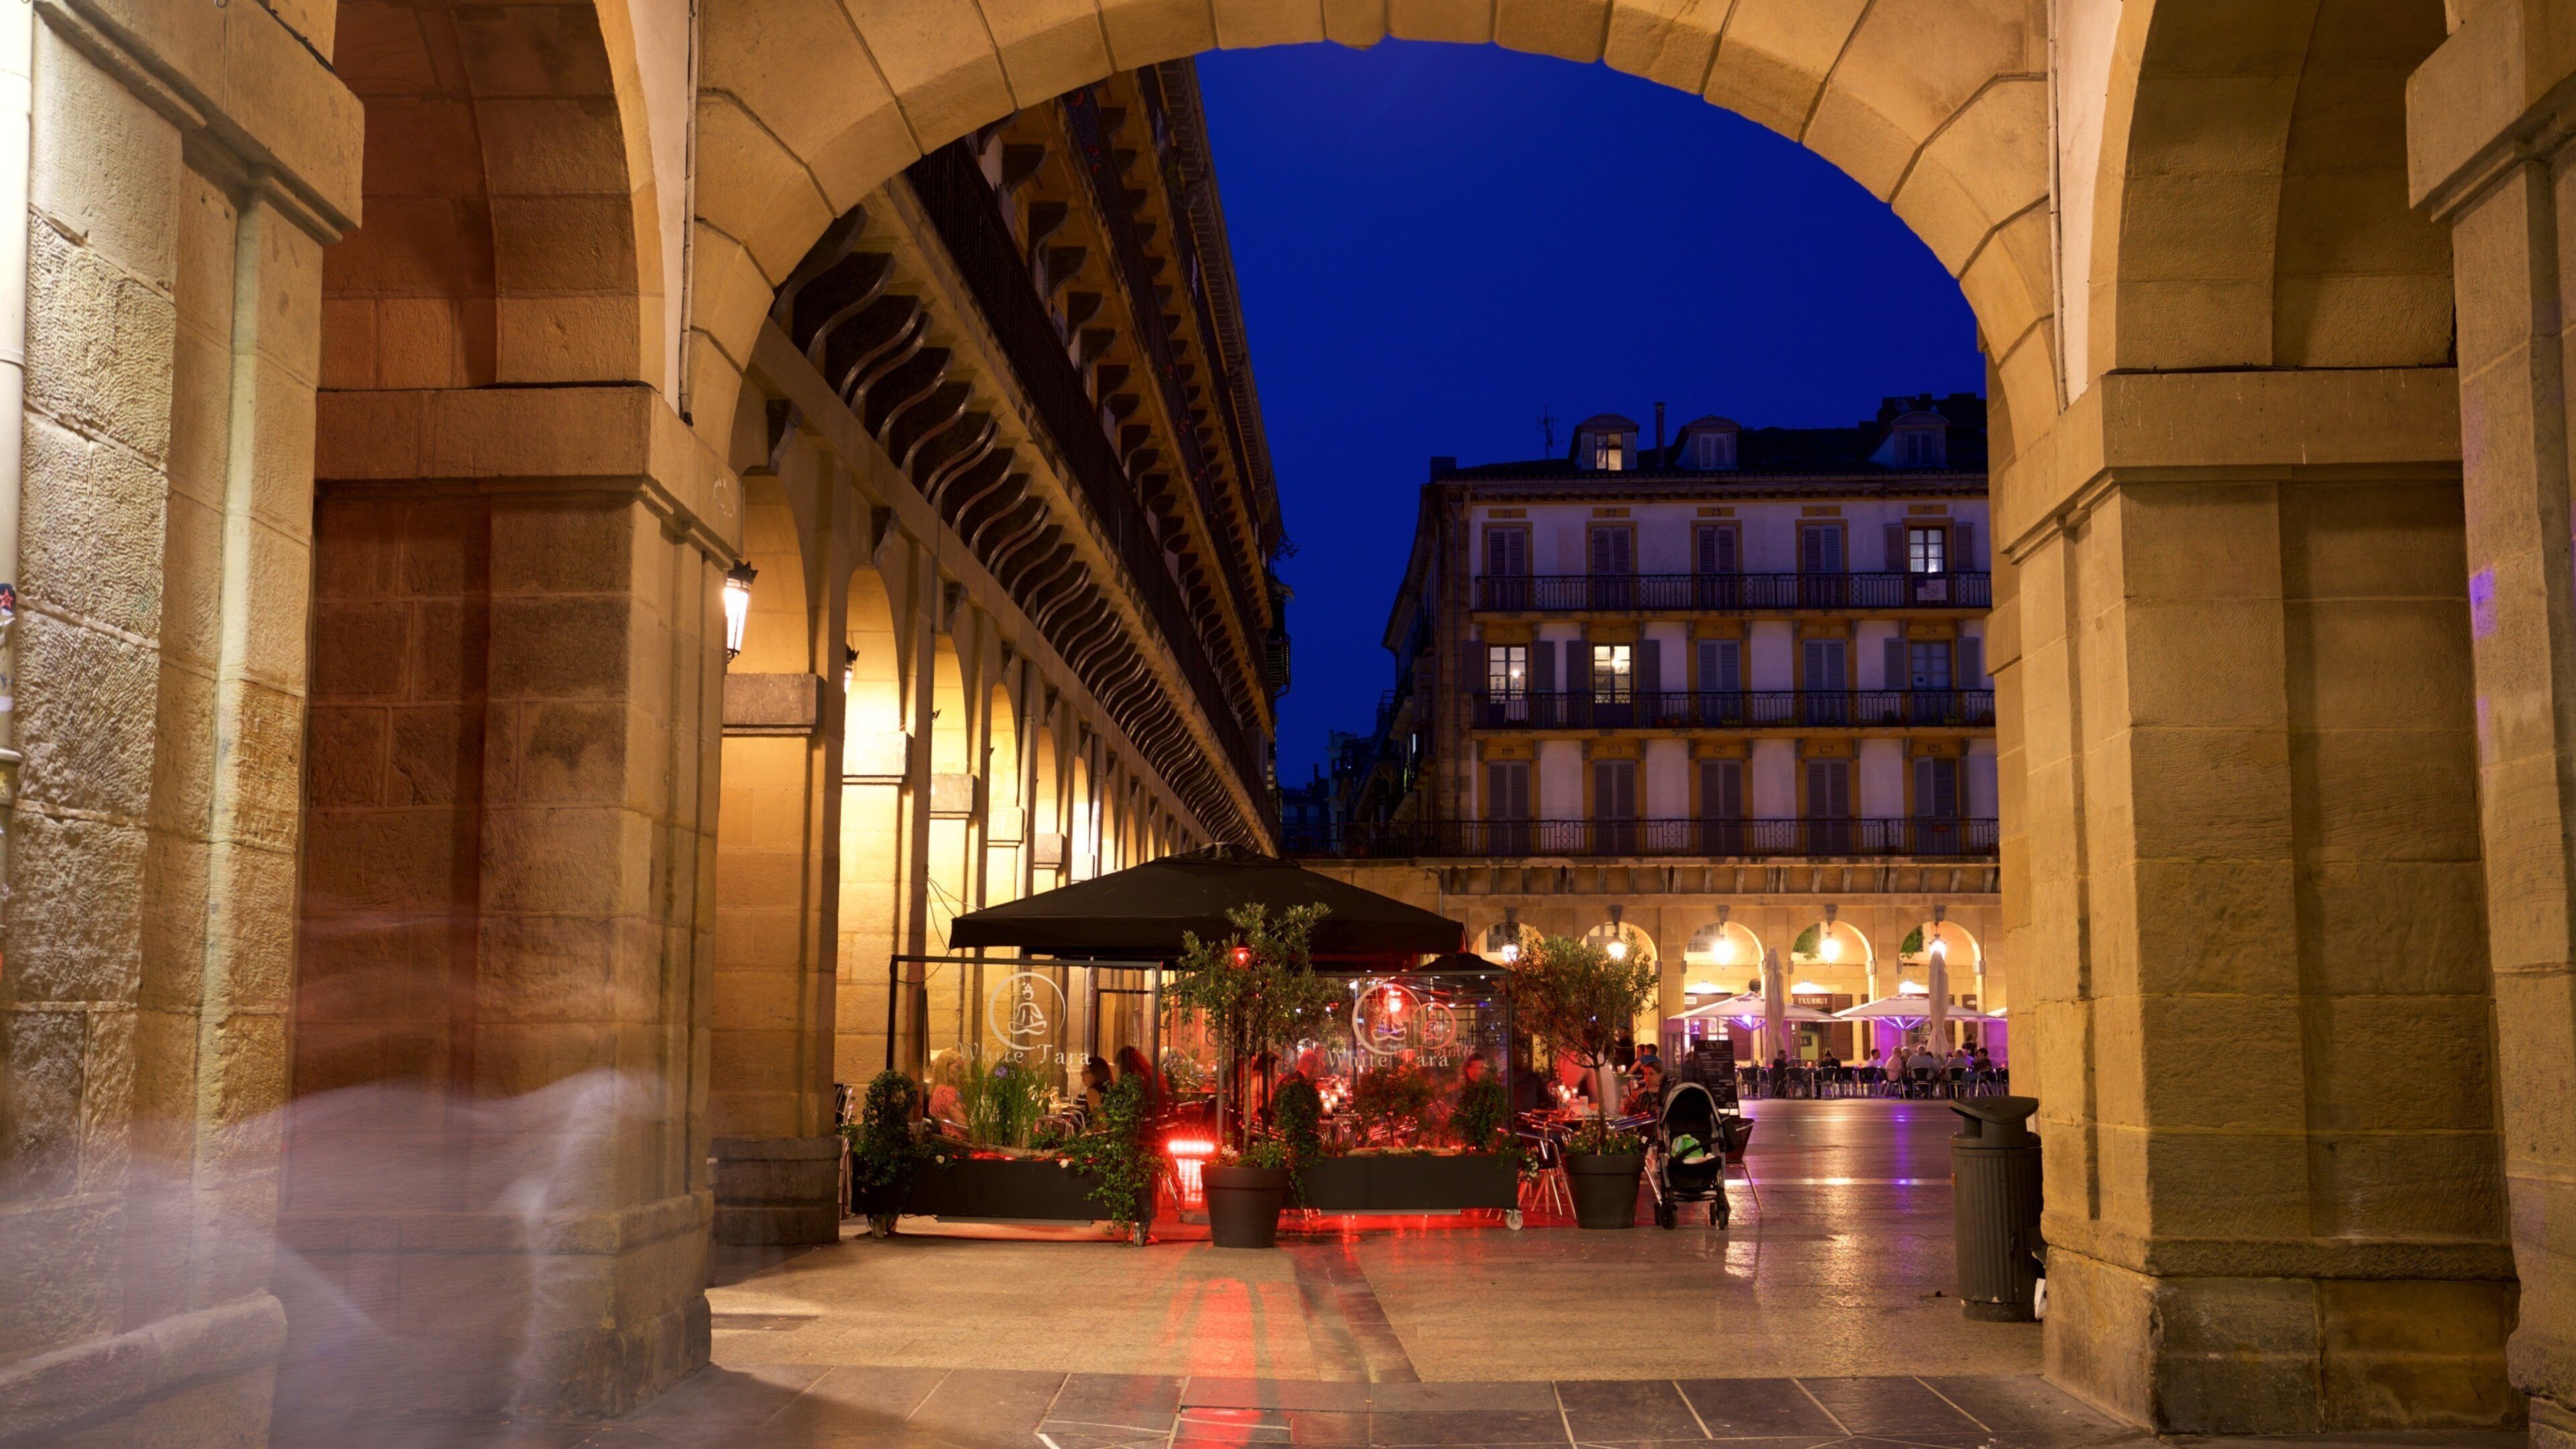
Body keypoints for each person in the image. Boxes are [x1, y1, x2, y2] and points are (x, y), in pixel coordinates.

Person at [1114, 1044, 1165, 1116]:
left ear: (1124, 1066)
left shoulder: (1135, 1082)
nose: (1119, 1073)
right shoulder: (1151, 1076)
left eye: (1119, 1068)